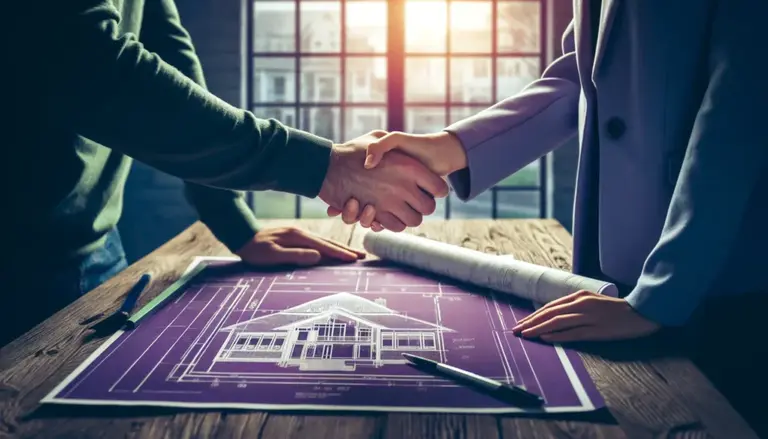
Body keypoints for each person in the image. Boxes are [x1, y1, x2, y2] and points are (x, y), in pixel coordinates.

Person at [330, 1, 768, 433]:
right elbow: (579, 76)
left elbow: (740, 111)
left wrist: (661, 296)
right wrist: (450, 147)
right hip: (612, 272)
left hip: (711, 279)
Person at [1, 0, 448, 348]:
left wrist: (232, 220)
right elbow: (92, 65)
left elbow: (169, 54)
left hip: (94, 242)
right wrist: (323, 167)